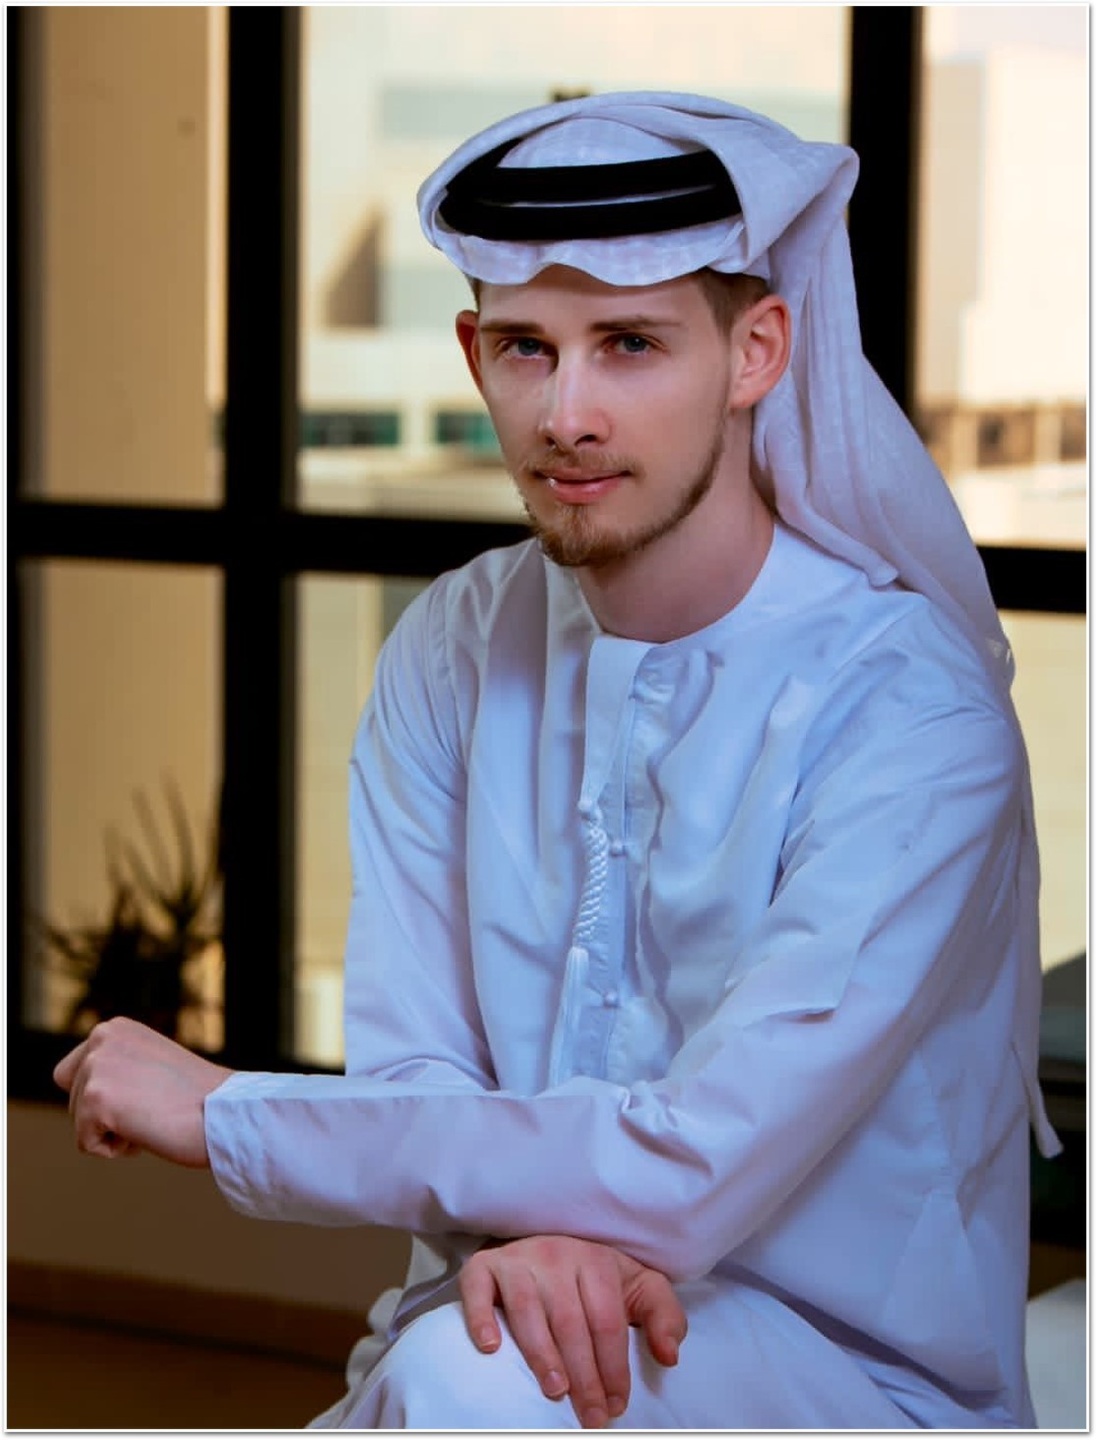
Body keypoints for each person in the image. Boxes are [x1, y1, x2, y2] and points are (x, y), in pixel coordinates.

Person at [54, 91, 1061, 1429]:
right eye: (527, 347)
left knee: (462, 1385)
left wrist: (231, 1114)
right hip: (504, 1300)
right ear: (474, 355)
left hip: (848, 1375)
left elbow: (696, 1163)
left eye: (630, 344)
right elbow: (418, 1070)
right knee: (466, 1372)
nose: (567, 413)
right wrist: (533, 1238)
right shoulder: (451, 643)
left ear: (756, 352)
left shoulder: (909, 715)